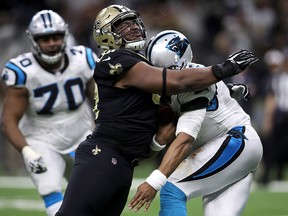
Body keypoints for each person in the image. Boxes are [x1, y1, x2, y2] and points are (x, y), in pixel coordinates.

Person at [55, 5, 257, 216]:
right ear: (106, 35)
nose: (133, 28)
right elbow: (175, 82)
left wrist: (222, 90)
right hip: (103, 154)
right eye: (123, 25)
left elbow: (174, 95)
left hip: (124, 163)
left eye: (134, 22)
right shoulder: (115, 59)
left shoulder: (143, 65)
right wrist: (222, 70)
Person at [128, 30, 263, 216]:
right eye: (155, 70)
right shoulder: (196, 76)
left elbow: (185, 140)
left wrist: (154, 181)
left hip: (234, 142)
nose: (160, 77)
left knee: (172, 190)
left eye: (165, 70)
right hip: (235, 148)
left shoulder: (194, 83)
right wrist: (231, 91)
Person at [0, 10, 97, 216]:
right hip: (41, 136)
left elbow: (100, 101)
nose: (51, 43)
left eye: (56, 37)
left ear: (65, 36)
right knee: (49, 187)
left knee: (92, 193)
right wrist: (26, 150)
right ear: (34, 40)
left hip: (81, 131)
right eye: (45, 39)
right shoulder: (22, 71)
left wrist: (104, 130)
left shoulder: (83, 59)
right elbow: (8, 119)